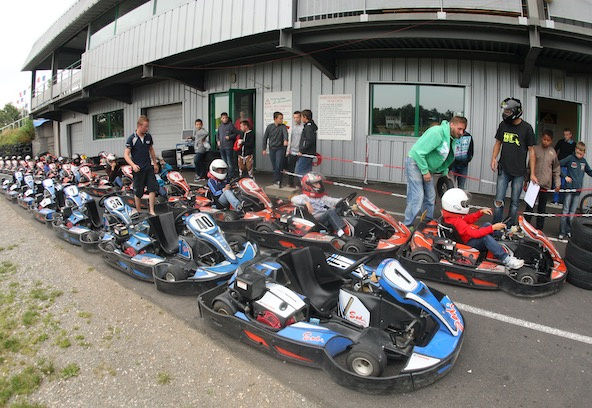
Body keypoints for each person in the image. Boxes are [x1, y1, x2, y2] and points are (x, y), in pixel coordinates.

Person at [402, 116, 467, 227]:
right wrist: (425, 171)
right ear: (451, 125)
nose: (461, 132)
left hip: (427, 167)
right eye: (459, 129)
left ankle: (427, 222)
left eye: (463, 130)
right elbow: (418, 152)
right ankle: (406, 225)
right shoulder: (437, 133)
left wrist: (444, 171)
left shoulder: (452, 139)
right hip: (415, 163)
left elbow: (445, 157)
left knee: (431, 196)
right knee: (417, 196)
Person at [441, 188, 525, 269]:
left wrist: (480, 212)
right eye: (463, 204)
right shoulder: (457, 222)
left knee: (487, 225)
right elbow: (475, 234)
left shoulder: (452, 217)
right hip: (467, 243)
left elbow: (468, 219)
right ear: (455, 206)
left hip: (467, 238)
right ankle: (506, 259)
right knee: (486, 238)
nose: (465, 206)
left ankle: (500, 240)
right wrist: (493, 227)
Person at [490, 97, 537, 226]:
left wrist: (532, 173)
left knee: (515, 203)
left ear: (516, 111)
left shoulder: (527, 128)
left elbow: (532, 152)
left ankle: (510, 228)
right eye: (504, 111)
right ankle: (496, 227)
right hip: (504, 169)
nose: (505, 113)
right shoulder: (503, 125)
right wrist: (494, 158)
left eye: (508, 111)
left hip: (519, 172)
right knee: (499, 200)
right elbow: (498, 143)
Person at [524, 130, 560, 230]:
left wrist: (558, 183)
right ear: (541, 138)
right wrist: (525, 181)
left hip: (545, 185)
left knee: (542, 209)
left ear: (551, 141)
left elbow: (556, 169)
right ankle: (525, 227)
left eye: (548, 140)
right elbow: (529, 167)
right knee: (529, 206)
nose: (545, 142)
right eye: (544, 139)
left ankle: (539, 230)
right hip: (534, 183)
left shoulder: (553, 153)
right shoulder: (535, 149)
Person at [291, 172, 346, 237]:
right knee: (330, 212)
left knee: (341, 206)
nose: (319, 185)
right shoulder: (305, 197)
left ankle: (350, 228)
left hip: (327, 218)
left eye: (319, 183)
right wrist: (306, 203)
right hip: (317, 221)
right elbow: (293, 199)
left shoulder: (322, 197)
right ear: (308, 186)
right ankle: (341, 233)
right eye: (316, 184)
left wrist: (344, 201)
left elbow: (333, 200)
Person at [124, 115, 159, 215]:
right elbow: (126, 155)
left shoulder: (148, 137)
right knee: (138, 191)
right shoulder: (132, 139)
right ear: (139, 126)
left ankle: (151, 210)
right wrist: (133, 165)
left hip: (148, 167)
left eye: (147, 126)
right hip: (138, 169)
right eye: (145, 126)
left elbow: (151, 150)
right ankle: (138, 211)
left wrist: (155, 163)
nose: (147, 128)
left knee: (152, 188)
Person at [559, 141, 592, 239]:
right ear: (575, 150)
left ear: (584, 153)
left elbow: (589, 171)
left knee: (572, 213)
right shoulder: (570, 158)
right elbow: (558, 165)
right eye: (578, 152)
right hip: (569, 189)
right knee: (565, 211)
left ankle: (569, 230)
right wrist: (565, 177)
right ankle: (562, 231)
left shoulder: (584, 162)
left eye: (581, 153)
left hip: (577, 191)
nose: (579, 154)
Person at [262, 111, 288, 187]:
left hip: (280, 148)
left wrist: (285, 140)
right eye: (280, 118)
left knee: (278, 164)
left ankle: (276, 180)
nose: (281, 120)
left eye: (282, 118)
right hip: (272, 148)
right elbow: (265, 138)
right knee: (274, 166)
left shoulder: (283, 126)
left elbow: (285, 133)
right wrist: (264, 149)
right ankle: (278, 180)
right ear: (275, 119)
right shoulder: (269, 127)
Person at [552, 128, 577, 205]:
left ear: (570, 135)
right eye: (564, 134)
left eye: (567, 135)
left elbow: (575, 155)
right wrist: (555, 159)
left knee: (563, 183)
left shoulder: (573, 144)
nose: (565, 136)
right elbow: (555, 150)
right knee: (556, 182)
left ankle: (561, 200)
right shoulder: (561, 142)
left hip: (567, 166)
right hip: (559, 164)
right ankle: (555, 200)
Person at [216, 112, 239, 180]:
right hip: (221, 146)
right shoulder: (220, 126)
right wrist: (218, 141)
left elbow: (236, 133)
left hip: (228, 146)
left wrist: (230, 137)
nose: (225, 119)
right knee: (224, 161)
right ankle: (225, 174)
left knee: (229, 161)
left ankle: (231, 175)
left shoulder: (230, 125)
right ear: (221, 119)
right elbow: (217, 135)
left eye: (226, 117)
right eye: (223, 118)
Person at [295, 109, 318, 177]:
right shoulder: (309, 126)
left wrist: (302, 150)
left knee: (300, 170)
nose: (301, 119)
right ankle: (308, 186)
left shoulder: (308, 127)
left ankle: (305, 185)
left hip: (306, 153)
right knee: (307, 171)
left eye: (301, 117)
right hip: (309, 152)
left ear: (305, 117)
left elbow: (308, 140)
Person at [285, 111, 304, 188]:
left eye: (297, 117)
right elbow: (290, 139)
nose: (296, 119)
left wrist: (302, 150)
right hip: (292, 150)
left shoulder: (303, 127)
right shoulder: (292, 127)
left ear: (300, 117)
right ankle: (290, 183)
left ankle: (299, 184)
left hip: (300, 151)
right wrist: (288, 149)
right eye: (294, 117)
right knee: (291, 168)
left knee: (300, 169)